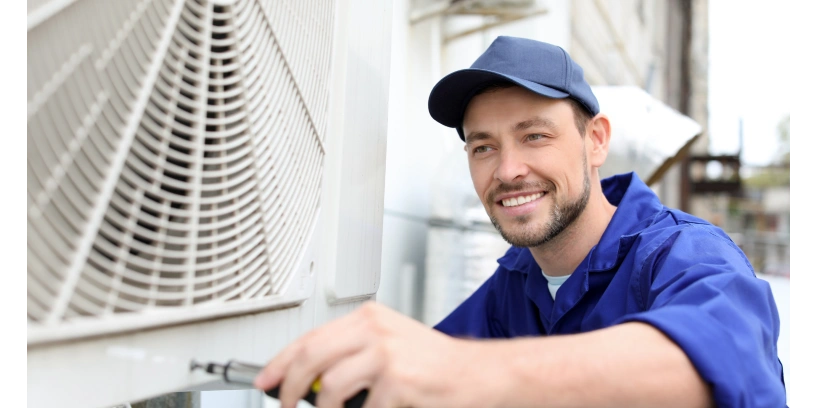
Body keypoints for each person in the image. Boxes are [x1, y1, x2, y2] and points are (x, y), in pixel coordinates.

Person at [253, 36, 786, 408]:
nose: (507, 170)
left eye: (535, 136)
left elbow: (718, 369)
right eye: (483, 146)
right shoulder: (515, 285)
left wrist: (457, 372)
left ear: (596, 140)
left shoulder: (682, 254)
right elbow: (425, 373)